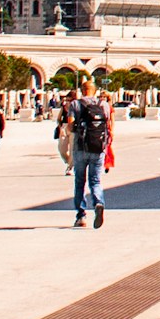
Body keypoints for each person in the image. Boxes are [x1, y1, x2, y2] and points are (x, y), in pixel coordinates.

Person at [64, 76, 112, 229]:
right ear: (95, 91)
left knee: (80, 181)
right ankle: (98, 202)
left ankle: (81, 216)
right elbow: (109, 125)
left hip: (80, 147)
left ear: (82, 91)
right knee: (95, 180)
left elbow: (70, 125)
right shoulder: (103, 104)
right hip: (98, 147)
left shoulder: (76, 104)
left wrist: (71, 130)